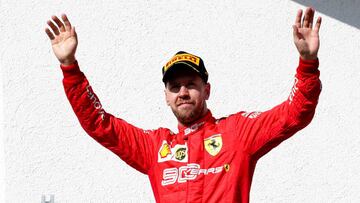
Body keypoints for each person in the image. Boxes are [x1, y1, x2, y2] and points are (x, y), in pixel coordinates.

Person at [45, 7, 322, 203]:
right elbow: (99, 124)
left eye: (191, 84)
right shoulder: (154, 148)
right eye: (174, 87)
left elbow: (295, 112)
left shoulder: (237, 133)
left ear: (207, 90)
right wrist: (70, 67)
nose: (183, 92)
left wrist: (307, 64)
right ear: (166, 96)